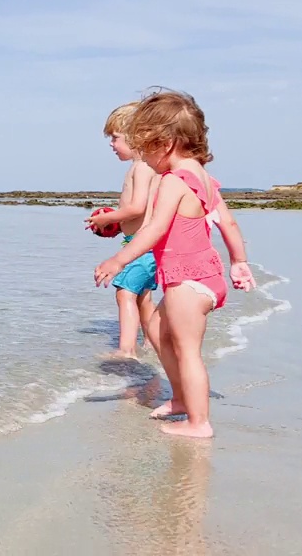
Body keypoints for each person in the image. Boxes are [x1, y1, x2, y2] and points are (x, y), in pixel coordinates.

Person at [95, 89, 256, 438]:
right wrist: (239, 262)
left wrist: (117, 258)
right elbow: (227, 223)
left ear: (164, 143)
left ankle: (199, 422)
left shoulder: (173, 181)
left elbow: (154, 229)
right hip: (204, 277)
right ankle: (182, 400)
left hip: (187, 281)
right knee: (161, 333)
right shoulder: (206, 181)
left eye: (145, 147)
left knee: (186, 351)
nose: (145, 159)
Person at [87, 102, 158, 360]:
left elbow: (137, 207)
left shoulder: (140, 168)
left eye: (115, 138)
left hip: (140, 246)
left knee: (124, 293)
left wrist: (107, 218)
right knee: (143, 298)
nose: (112, 144)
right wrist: (117, 227)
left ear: (137, 136)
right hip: (144, 244)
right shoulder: (148, 167)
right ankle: (153, 343)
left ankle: (126, 349)